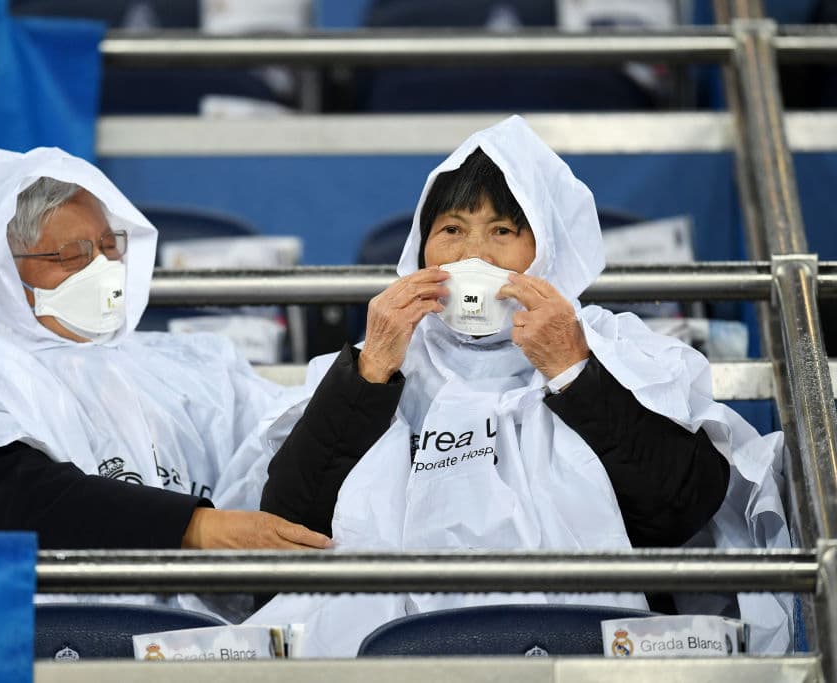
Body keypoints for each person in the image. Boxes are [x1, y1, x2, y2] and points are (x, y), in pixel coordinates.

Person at [215, 116, 793, 655]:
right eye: (451, 230)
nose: (472, 254)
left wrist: (572, 370)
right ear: (420, 250)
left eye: (501, 231)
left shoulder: (619, 351)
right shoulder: (369, 364)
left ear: (545, 250)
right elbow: (290, 527)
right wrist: (370, 376)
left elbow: (677, 512)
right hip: (394, 651)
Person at [0, 146, 330, 552]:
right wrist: (195, 527)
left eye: (108, 246)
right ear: (5, 270)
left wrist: (365, 376)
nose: (101, 267)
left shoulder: (189, 366)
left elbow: (285, 436)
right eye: (70, 255)